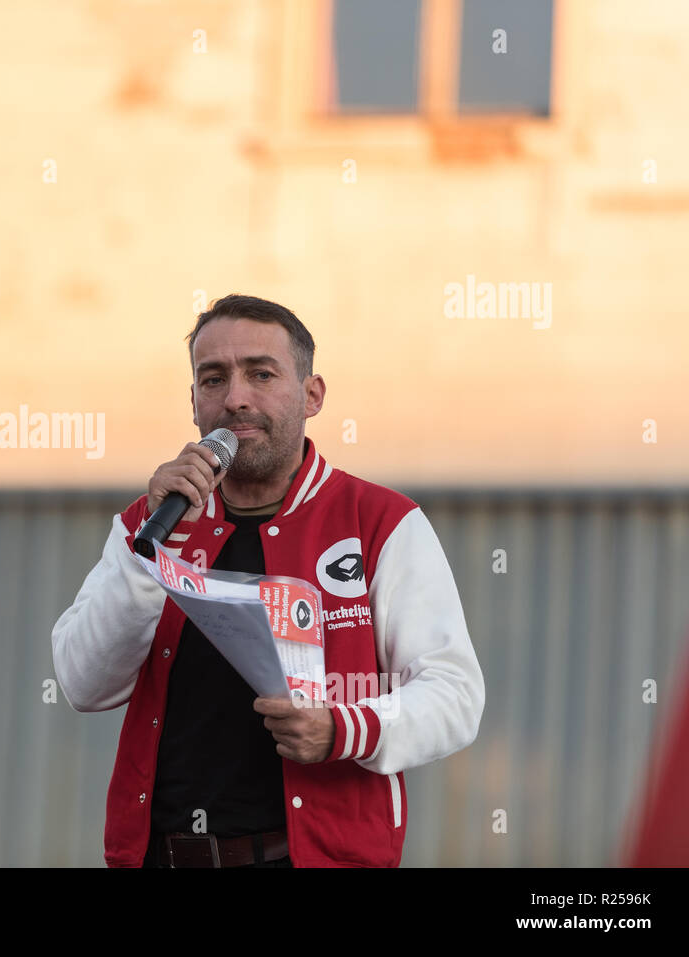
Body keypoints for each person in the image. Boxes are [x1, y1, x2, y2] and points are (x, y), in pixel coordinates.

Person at [50, 294, 486, 868]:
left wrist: (342, 729)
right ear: (194, 402)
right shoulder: (152, 521)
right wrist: (150, 552)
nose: (236, 398)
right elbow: (84, 684)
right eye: (214, 379)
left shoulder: (378, 522)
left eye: (261, 374)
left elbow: (455, 695)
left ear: (312, 395)